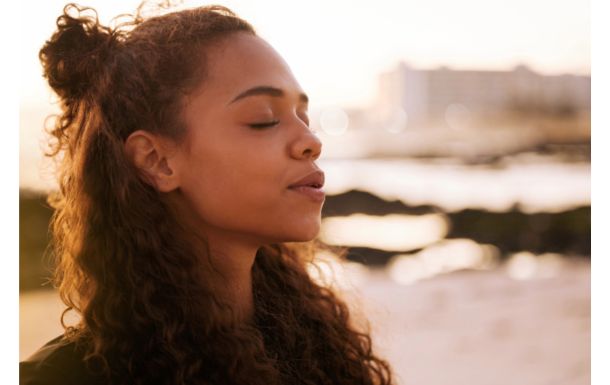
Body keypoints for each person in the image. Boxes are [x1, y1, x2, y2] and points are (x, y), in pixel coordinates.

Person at [20, 2, 394, 384]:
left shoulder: (315, 347)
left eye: (304, 117)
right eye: (263, 119)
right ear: (157, 161)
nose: (311, 141)